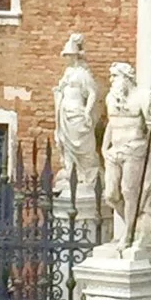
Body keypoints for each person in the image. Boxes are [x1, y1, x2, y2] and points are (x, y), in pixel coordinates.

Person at [101, 62, 151, 249]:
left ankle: (129, 233)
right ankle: (135, 225)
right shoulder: (111, 98)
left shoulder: (144, 97)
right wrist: (104, 147)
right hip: (114, 151)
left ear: (126, 77)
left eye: (115, 76)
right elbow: (111, 123)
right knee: (111, 195)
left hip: (135, 150)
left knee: (129, 192)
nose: (111, 80)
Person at [53, 33, 100, 191]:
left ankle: (85, 173)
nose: (67, 58)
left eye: (69, 55)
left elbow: (93, 92)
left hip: (77, 113)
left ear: (75, 56)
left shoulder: (83, 74)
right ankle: (70, 170)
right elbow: (60, 89)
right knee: (66, 143)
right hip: (65, 113)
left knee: (82, 146)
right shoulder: (68, 73)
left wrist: (87, 112)